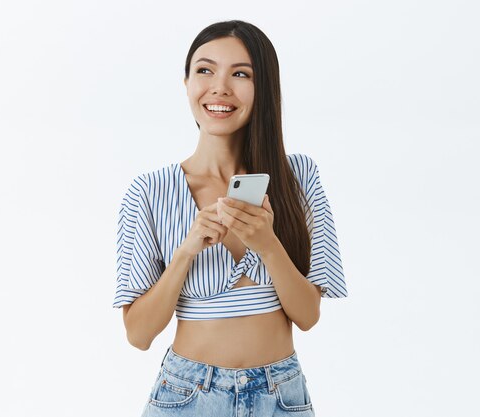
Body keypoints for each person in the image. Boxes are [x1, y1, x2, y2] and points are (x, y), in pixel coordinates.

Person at [112, 19, 348, 417]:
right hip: (187, 396)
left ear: (264, 88)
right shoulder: (149, 192)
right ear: (186, 82)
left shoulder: (298, 179)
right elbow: (138, 334)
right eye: (205, 70)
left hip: (281, 396)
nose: (220, 87)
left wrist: (268, 245)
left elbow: (308, 316)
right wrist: (186, 252)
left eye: (240, 74)